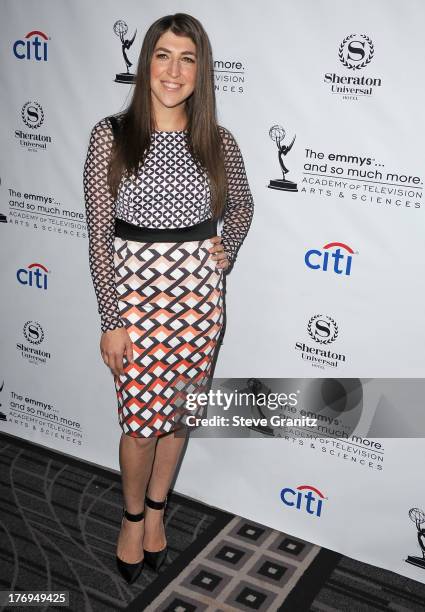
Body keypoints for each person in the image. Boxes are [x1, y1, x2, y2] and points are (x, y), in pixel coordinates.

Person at [83, 12, 254, 584]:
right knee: (138, 423)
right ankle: (131, 518)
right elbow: (98, 235)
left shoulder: (217, 140)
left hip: (200, 304)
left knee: (177, 419)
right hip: (134, 300)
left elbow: (245, 205)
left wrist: (225, 249)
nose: (174, 69)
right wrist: (112, 319)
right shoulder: (112, 134)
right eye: (163, 55)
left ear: (200, 70)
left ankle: (157, 514)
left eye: (187, 58)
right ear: (146, 63)